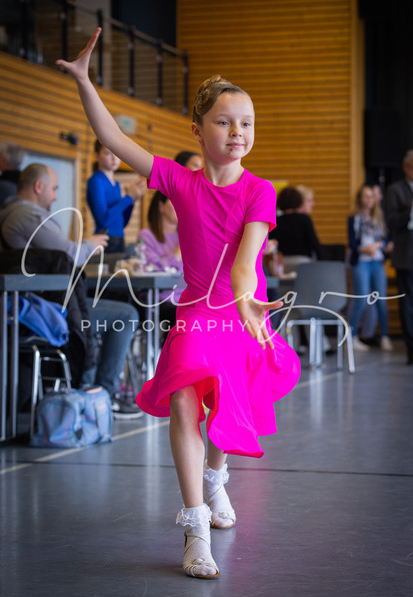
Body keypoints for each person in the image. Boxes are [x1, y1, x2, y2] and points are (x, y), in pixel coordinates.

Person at [56, 28, 300, 580]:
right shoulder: (177, 180)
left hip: (242, 308)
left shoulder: (259, 190)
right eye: (224, 122)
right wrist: (85, 82)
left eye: (246, 123)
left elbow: (245, 261)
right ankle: (195, 528)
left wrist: (247, 302)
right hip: (196, 312)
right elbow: (113, 137)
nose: (237, 132)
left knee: (226, 408)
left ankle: (215, 479)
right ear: (197, 129)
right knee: (187, 401)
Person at [0, 163, 143, 418]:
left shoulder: (11, 213)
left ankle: (95, 391)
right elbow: (69, 255)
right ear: (38, 187)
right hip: (48, 309)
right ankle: (103, 395)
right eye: (54, 189)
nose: (56, 196)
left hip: (39, 304)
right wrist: (90, 244)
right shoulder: (28, 216)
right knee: (126, 315)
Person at [386, 149, 413, 365]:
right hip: (407, 254)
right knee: (408, 303)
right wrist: (411, 210)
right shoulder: (396, 190)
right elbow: (391, 222)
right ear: (406, 168)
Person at [347, 184, 393, 352]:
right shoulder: (354, 218)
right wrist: (363, 249)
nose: (369, 199)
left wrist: (380, 245)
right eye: (366, 196)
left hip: (377, 261)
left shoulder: (379, 217)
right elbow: (352, 242)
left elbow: (386, 238)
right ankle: (352, 337)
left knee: (381, 300)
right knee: (360, 299)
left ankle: (385, 336)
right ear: (360, 199)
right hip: (361, 261)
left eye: (371, 196)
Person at [136, 190, 184, 338]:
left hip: (187, 296)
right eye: (174, 202)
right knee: (182, 317)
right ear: (161, 206)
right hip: (161, 298)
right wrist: (181, 247)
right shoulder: (146, 236)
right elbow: (153, 270)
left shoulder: (187, 235)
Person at [86, 140, 146, 253]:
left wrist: (132, 201)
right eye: (108, 153)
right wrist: (128, 197)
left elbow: (122, 223)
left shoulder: (116, 185)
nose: (114, 158)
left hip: (119, 239)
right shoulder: (96, 181)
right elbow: (104, 220)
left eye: (117, 153)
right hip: (105, 239)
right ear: (96, 156)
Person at [270, 186, 323, 273]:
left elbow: (270, 240)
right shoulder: (304, 219)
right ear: (299, 201)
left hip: (283, 262)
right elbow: (314, 242)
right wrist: (323, 260)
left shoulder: (277, 220)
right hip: (302, 262)